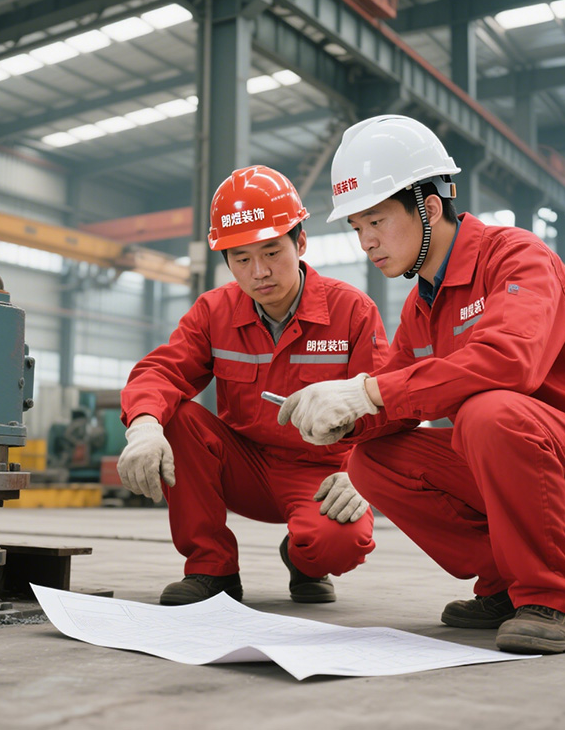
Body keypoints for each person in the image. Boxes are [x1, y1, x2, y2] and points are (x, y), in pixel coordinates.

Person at [277, 115, 565, 654]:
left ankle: (555, 599)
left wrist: (365, 393)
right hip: (515, 457)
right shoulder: (423, 306)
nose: (366, 242)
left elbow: (510, 361)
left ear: (429, 207)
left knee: (489, 410)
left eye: (376, 221)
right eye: (357, 227)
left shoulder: (516, 256)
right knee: (373, 460)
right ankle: (506, 585)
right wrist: (342, 419)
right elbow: (394, 398)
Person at [117, 165, 388, 605]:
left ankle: (304, 559)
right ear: (226, 261)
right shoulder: (213, 312)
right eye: (242, 259)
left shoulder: (352, 311)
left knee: (340, 543)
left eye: (272, 252)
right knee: (177, 416)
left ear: (300, 243)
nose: (259, 271)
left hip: (320, 474)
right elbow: (161, 373)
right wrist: (145, 426)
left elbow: (386, 402)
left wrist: (363, 475)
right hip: (242, 467)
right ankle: (212, 570)